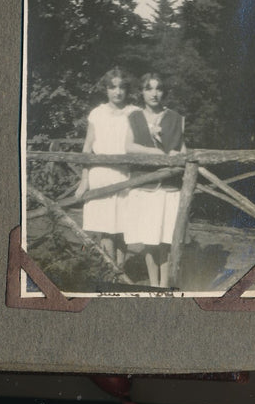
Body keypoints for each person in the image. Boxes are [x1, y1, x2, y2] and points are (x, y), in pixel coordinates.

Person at [74, 69, 141, 274]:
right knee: (106, 228)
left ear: (127, 90)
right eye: (112, 87)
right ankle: (110, 271)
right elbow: (88, 147)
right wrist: (84, 180)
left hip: (124, 175)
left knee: (122, 226)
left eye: (122, 87)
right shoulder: (97, 113)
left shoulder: (135, 112)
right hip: (100, 174)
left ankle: (120, 269)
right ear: (106, 89)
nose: (117, 92)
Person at [122, 74, 186, 289]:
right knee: (149, 239)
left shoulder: (175, 118)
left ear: (163, 92)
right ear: (142, 92)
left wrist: (178, 155)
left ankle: (164, 285)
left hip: (168, 188)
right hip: (144, 185)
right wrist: (155, 152)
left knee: (166, 239)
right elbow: (129, 146)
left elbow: (183, 149)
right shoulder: (134, 117)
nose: (154, 93)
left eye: (158, 89)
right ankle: (153, 283)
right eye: (149, 88)